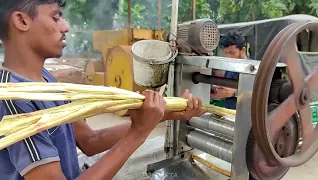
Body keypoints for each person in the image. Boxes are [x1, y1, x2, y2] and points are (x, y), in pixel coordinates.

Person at [0, 1, 206, 180]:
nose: (66, 27)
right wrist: (137, 134)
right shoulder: (14, 100)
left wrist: (163, 115)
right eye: (56, 17)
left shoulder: (46, 80)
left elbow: (90, 141)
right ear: (22, 21)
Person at [210, 30, 248, 110]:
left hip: (244, 113)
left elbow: (258, 94)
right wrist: (220, 92)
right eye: (226, 53)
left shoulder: (252, 70)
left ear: (243, 50)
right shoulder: (230, 67)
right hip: (228, 112)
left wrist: (235, 92)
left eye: (232, 53)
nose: (228, 57)